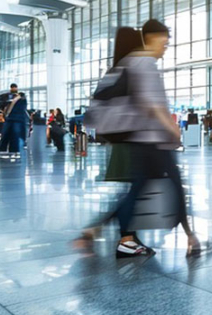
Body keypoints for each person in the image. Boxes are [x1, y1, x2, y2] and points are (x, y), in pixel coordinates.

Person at [80, 21, 203, 257]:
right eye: (164, 42)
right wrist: (173, 129)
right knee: (175, 188)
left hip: (140, 139)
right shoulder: (144, 62)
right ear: (152, 37)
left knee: (136, 190)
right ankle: (191, 240)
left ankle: (95, 229)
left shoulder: (127, 62)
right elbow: (152, 104)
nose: (165, 48)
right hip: (153, 140)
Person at [1, 92, 28, 159]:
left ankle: (11, 151)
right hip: (16, 120)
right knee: (15, 136)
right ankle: (14, 151)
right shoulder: (20, 102)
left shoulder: (18, 101)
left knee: (12, 135)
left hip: (13, 120)